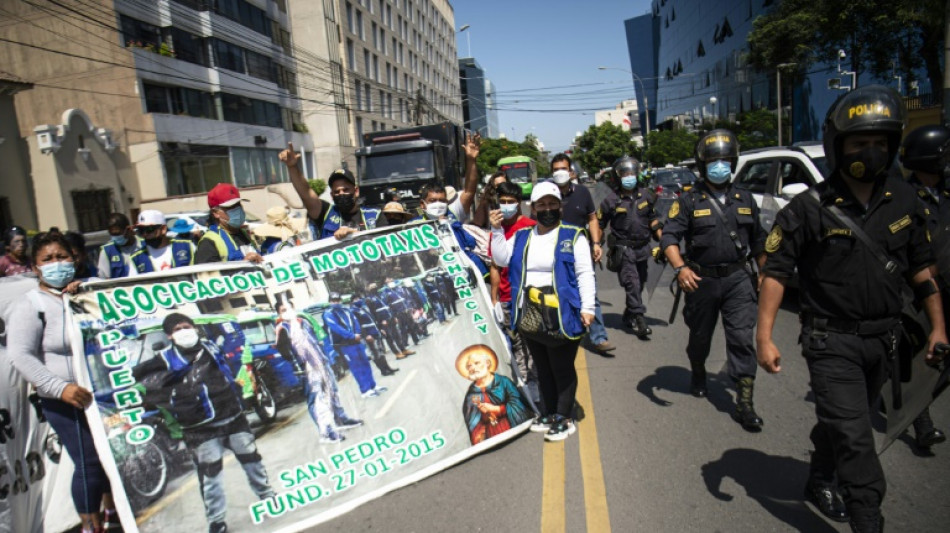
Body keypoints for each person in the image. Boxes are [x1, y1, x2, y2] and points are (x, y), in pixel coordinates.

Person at [756, 86, 947, 532]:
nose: (871, 152)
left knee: (842, 423)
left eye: (880, 143)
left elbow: (922, 270)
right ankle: (868, 518)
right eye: (860, 143)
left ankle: (819, 477)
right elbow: (776, 273)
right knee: (858, 440)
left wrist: (938, 326)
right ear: (838, 146)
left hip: (884, 338)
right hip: (830, 342)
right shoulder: (808, 209)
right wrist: (764, 337)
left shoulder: (903, 200)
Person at [7, 232, 116, 533]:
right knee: (89, 462)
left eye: (62, 257)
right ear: (35, 266)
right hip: (64, 401)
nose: (57, 263)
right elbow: (21, 355)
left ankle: (114, 514)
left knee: (113, 457)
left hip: (103, 396)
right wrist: (61, 388)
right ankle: (90, 526)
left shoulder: (85, 294)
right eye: (48, 259)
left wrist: (84, 296)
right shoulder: (30, 305)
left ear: (75, 259)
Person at [660, 129, 767, 432]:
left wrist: (765, 275)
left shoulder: (745, 198)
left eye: (724, 160)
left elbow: (759, 240)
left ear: (732, 162)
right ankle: (697, 370)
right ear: (702, 164)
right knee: (700, 337)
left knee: (741, 338)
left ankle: (745, 402)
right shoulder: (689, 200)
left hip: (738, 280)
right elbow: (670, 237)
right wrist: (680, 268)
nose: (719, 166)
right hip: (701, 282)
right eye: (713, 161)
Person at [133, 313, 276, 533]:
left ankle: (268, 496)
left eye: (187, 326)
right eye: (179, 329)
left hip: (233, 418)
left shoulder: (210, 347)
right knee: (211, 477)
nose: (185, 331)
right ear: (170, 335)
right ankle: (217, 521)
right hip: (200, 429)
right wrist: (173, 402)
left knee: (252, 460)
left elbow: (230, 367)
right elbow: (138, 381)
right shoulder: (163, 360)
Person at [489, 181, 596, 442]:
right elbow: (501, 259)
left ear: (560, 206)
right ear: (533, 208)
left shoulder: (573, 236)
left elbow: (584, 273)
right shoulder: (523, 235)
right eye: (541, 205)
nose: (547, 209)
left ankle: (564, 416)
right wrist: (495, 229)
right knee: (543, 366)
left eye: (552, 204)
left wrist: (588, 307)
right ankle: (548, 412)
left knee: (561, 366)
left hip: (563, 311)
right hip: (531, 311)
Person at [899, 123, 950, 450]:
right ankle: (922, 422)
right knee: (923, 355)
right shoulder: (904, 198)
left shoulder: (945, 195)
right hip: (917, 292)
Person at [550, 153, 614, 354]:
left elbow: (592, 219)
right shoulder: (547, 194)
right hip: (556, 253)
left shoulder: (582, 193)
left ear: (570, 171)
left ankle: (598, 337)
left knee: (589, 292)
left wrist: (596, 243)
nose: (560, 173)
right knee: (559, 293)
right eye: (556, 170)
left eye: (563, 169)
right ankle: (562, 333)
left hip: (581, 251)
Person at [274, 300, 363, 443]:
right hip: (307, 370)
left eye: (290, 308)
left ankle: (340, 419)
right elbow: (284, 352)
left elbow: (316, 340)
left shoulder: (303, 322)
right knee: (316, 400)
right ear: (279, 313)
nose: (287, 311)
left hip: (322, 363)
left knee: (332, 391)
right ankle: (326, 433)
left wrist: (324, 359)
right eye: (283, 310)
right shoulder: (282, 328)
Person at [488, 181, 539, 406]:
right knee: (516, 344)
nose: (506, 206)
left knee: (533, 344)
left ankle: (537, 385)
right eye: (502, 202)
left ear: (519, 204)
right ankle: (526, 387)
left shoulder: (530, 226)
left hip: (528, 297)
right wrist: (494, 298)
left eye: (510, 202)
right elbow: (495, 265)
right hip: (507, 299)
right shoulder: (496, 229)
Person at [599, 155, 662, 338]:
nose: (629, 176)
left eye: (631, 172)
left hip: (643, 248)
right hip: (623, 249)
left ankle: (629, 313)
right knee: (631, 283)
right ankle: (640, 320)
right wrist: (595, 245)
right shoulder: (610, 201)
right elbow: (599, 224)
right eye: (625, 173)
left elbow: (653, 220)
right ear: (618, 177)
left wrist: (664, 242)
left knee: (640, 283)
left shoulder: (647, 196)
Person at [456, 344, 531, 445]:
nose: (473, 368)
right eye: (469, 366)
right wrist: (480, 433)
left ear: (487, 363)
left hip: (512, 428)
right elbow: (472, 422)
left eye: (477, 363)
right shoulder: (471, 394)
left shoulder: (503, 382)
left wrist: (497, 409)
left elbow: (518, 403)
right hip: (491, 437)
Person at [322, 292, 387, 397]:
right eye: (333, 301)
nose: (336, 303)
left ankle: (372, 386)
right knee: (356, 366)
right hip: (345, 344)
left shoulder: (347, 310)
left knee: (365, 363)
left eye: (338, 300)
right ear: (330, 302)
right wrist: (351, 336)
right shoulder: (328, 314)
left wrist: (357, 333)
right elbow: (336, 328)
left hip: (356, 341)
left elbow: (356, 322)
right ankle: (365, 390)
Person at [195, 183, 263, 264]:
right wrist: (243, 264)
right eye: (230, 207)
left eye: (238, 205)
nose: (237, 210)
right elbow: (207, 275)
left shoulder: (244, 234)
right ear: (216, 213)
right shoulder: (208, 242)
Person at [128, 210, 195, 275]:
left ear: (163, 229)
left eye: (149, 229)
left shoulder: (187, 246)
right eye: (141, 230)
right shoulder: (136, 258)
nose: (145, 234)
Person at [351, 296, 400, 375]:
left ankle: (388, 367)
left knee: (380, 351)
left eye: (359, 298)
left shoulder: (363, 309)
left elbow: (373, 320)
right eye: (356, 299)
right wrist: (366, 335)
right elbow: (357, 325)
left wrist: (380, 329)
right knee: (375, 353)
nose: (358, 300)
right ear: (352, 302)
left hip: (375, 332)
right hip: (368, 335)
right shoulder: (354, 311)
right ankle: (383, 371)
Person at [97, 212, 142, 279]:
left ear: (128, 229)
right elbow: (103, 279)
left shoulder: (143, 245)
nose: (115, 238)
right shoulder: (107, 251)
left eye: (117, 234)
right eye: (112, 234)